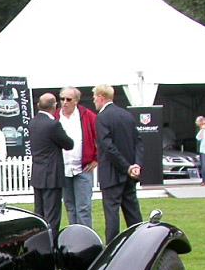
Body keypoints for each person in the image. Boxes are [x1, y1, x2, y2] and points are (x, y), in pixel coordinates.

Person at [93, 84, 143, 243]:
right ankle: (140, 242)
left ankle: (112, 247)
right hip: (129, 173)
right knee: (133, 212)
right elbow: (138, 143)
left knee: (112, 213)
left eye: (94, 97)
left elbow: (108, 147)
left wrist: (126, 167)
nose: (94, 101)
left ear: (101, 97)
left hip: (113, 173)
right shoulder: (127, 115)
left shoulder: (102, 117)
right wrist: (136, 165)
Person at [28, 93, 74, 238]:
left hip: (38, 173)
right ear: (54, 106)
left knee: (39, 213)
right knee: (52, 215)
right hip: (52, 174)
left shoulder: (33, 123)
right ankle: (51, 244)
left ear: (38, 106)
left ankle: (38, 243)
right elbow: (69, 144)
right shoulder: (53, 125)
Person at [57, 87, 98, 228]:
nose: (64, 102)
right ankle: (74, 239)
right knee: (70, 207)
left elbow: (101, 137)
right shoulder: (56, 117)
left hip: (83, 169)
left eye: (68, 99)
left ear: (76, 101)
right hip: (63, 169)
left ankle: (86, 241)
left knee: (83, 208)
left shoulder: (88, 116)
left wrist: (96, 159)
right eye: (62, 99)